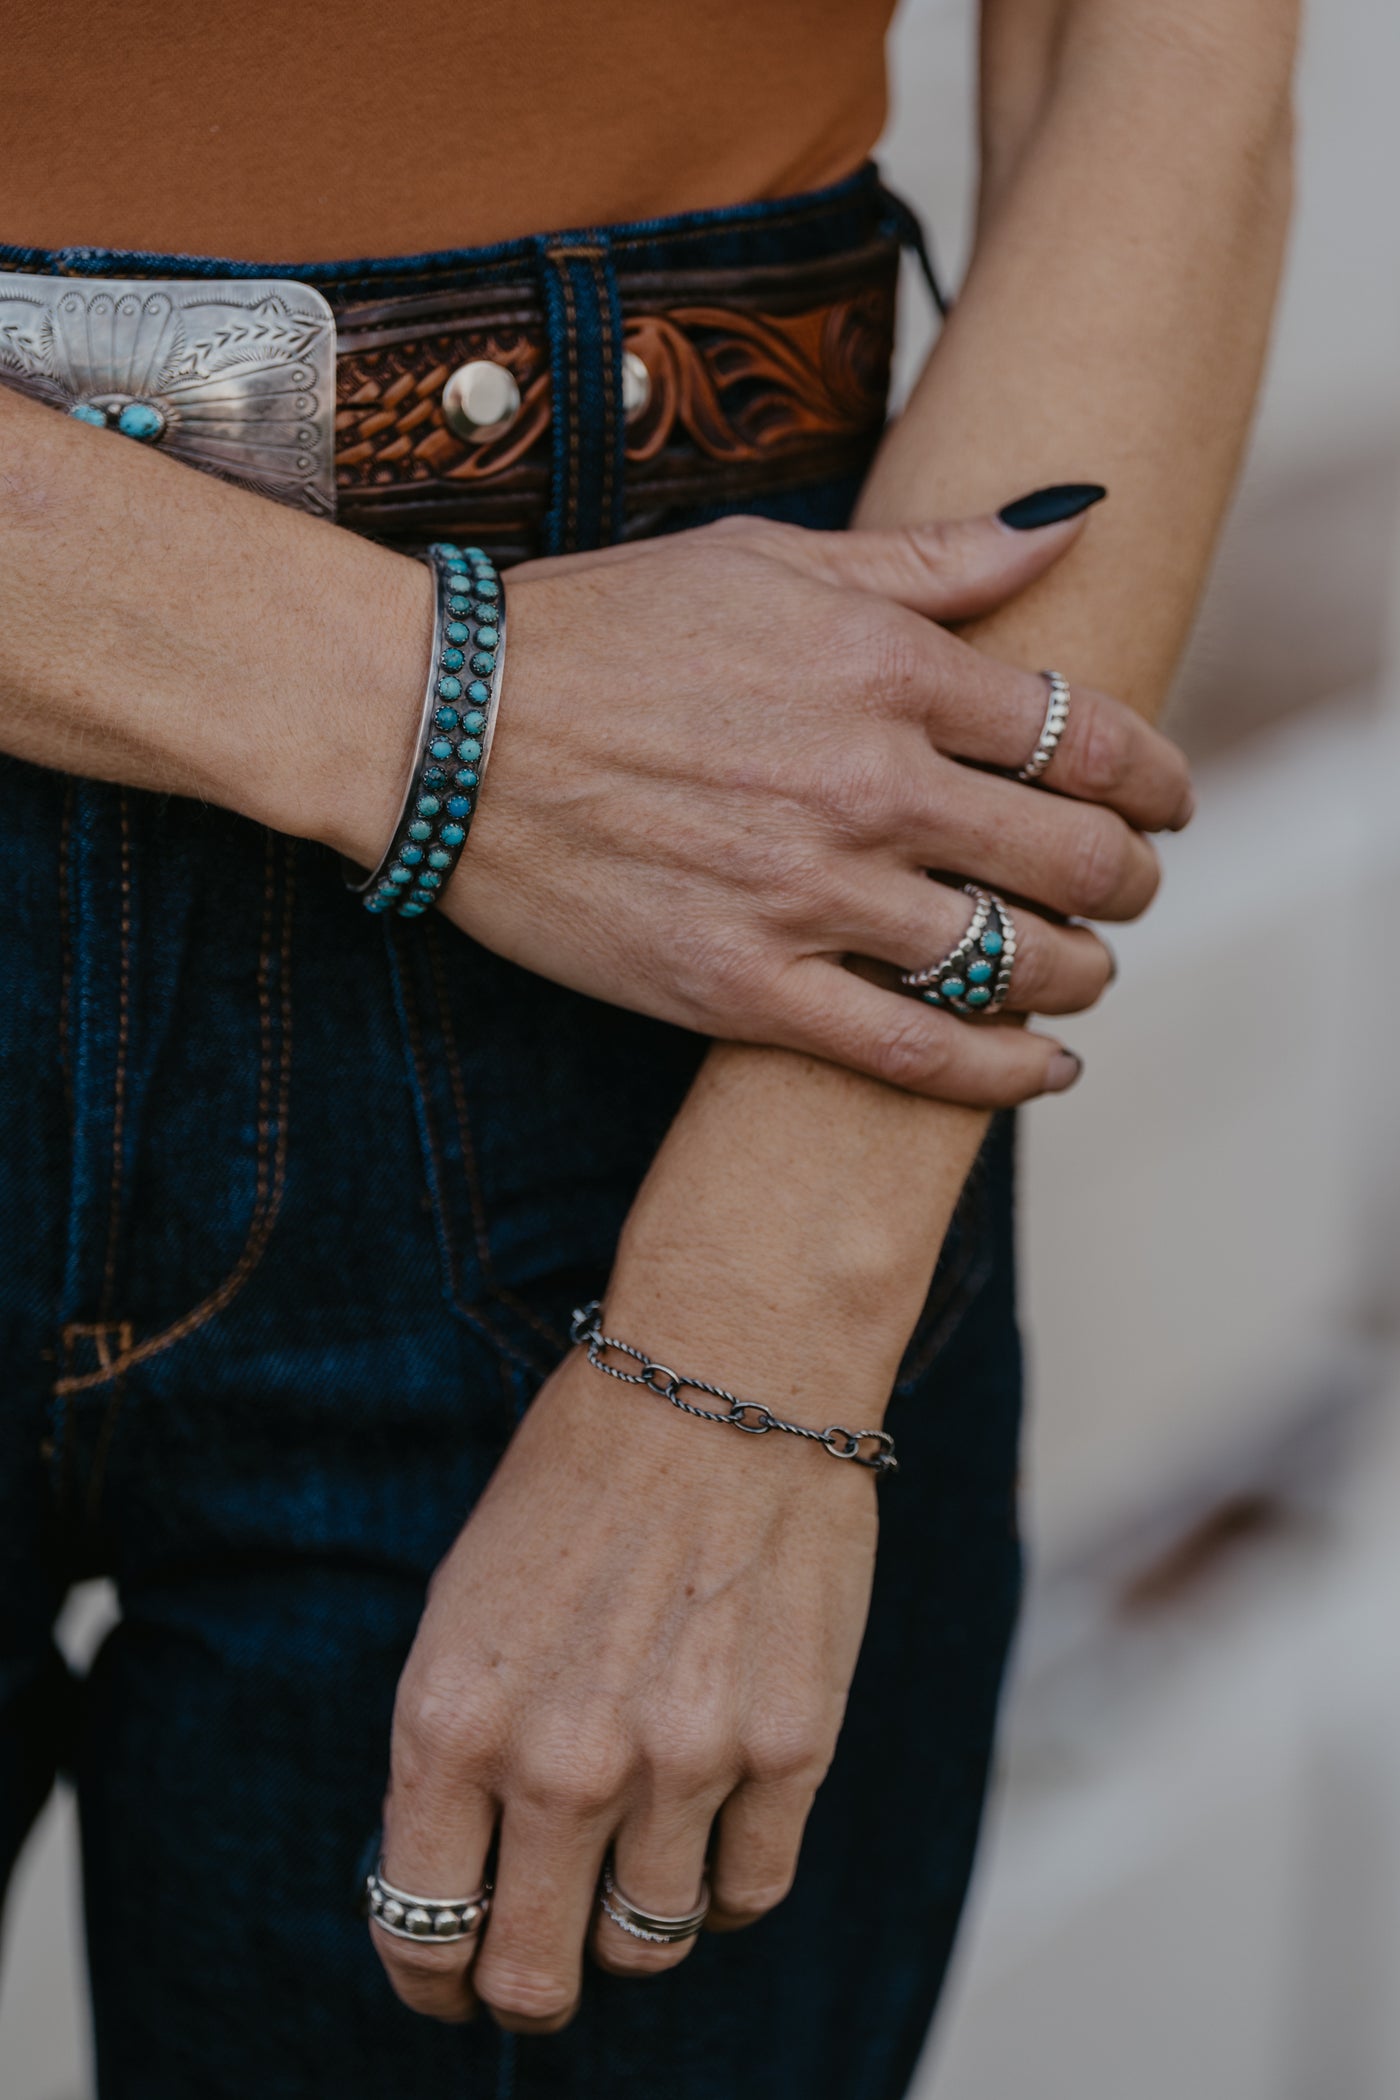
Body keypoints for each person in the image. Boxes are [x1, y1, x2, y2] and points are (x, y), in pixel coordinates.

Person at [0, 2, 1296, 2094]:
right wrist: (428, 713)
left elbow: (1158, 63)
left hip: (704, 915)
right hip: (640, 778)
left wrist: (768, 1313)